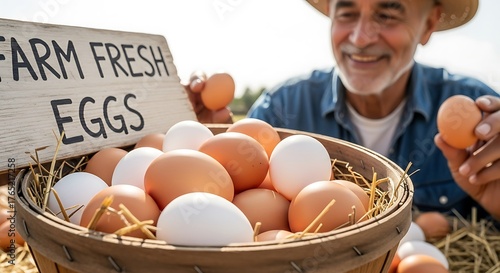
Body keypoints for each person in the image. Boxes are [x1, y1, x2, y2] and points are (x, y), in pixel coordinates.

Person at [186, 0, 500, 222]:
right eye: (347, 12)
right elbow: (233, 206)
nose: (361, 37)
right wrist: (199, 145)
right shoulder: (283, 110)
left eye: (388, 13)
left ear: (429, 23)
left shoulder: (479, 118)